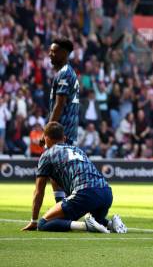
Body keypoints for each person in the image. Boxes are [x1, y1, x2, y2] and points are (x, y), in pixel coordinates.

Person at [21, 122, 127, 234]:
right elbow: (58, 180)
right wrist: (60, 205)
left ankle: (86, 226)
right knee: (95, 220)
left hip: (85, 193)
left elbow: (39, 191)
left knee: (43, 224)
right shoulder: (77, 149)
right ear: (64, 138)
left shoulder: (47, 155)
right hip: (106, 193)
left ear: (46, 138)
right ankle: (111, 224)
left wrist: (34, 220)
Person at [45, 38, 81, 204]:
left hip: (62, 131)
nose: (50, 55)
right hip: (65, 130)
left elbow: (60, 104)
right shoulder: (66, 72)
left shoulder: (65, 73)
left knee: (58, 170)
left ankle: (65, 207)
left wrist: (48, 130)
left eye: (54, 52)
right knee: (57, 171)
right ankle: (62, 206)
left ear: (64, 54)